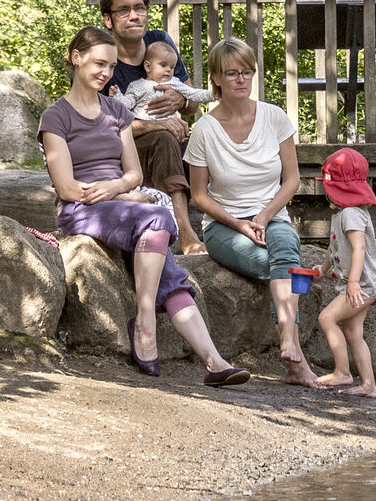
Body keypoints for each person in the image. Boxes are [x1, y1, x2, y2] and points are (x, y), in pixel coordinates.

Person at [41, 25, 247, 386]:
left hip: (123, 206)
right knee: (157, 215)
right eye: (98, 64)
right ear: (76, 59)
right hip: (82, 210)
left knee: (165, 260)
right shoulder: (55, 117)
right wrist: (121, 195)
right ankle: (146, 320)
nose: (105, 72)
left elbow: (134, 173)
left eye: (110, 65)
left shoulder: (117, 112)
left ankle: (215, 362)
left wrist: (122, 188)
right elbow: (67, 187)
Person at [186, 37, 322, 388]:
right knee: (292, 272)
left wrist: (262, 217)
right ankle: (297, 360)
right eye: (232, 73)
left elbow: (291, 181)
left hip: (271, 216)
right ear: (216, 78)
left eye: (247, 72)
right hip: (223, 226)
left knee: (286, 250)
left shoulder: (274, 117)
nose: (241, 79)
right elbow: (199, 196)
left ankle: (289, 345)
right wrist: (239, 223)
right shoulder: (203, 130)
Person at [98, 0, 200, 254]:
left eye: (139, 8)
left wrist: (180, 99)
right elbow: (100, 127)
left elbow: (192, 105)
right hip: (123, 154)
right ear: (108, 20)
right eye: (123, 10)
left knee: (207, 137)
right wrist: (156, 124)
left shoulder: (160, 43)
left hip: (169, 145)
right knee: (162, 137)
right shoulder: (102, 56)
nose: (134, 16)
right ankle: (185, 230)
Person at [313, 147, 376, 395]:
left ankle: (342, 372)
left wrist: (353, 283)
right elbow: (334, 247)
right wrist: (321, 270)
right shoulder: (344, 213)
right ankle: (369, 385)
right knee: (353, 332)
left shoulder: (351, 214)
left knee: (326, 318)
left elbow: (359, 248)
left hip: (361, 284)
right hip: (361, 284)